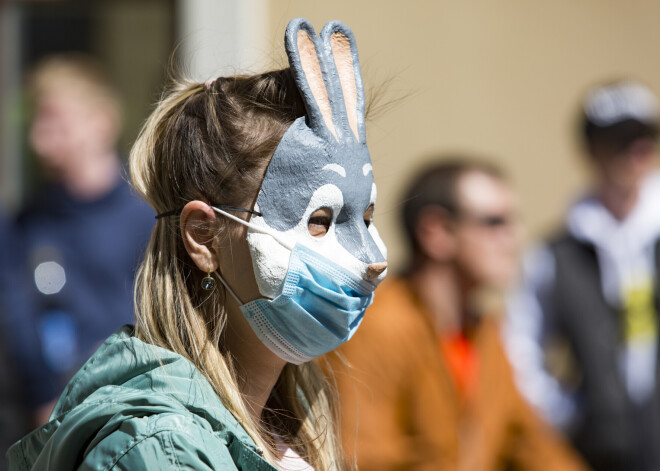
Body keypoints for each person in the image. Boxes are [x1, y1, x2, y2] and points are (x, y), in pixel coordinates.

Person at [7, 18, 388, 470]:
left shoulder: (292, 429)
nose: (372, 260)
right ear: (203, 237)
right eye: (320, 220)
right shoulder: (160, 450)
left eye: (365, 218)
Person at [331, 159, 588, 471]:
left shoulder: (486, 334)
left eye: (514, 221)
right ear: (435, 232)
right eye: (495, 222)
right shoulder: (380, 327)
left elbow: (536, 449)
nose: (515, 238)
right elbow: (361, 459)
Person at [506, 80, 660, 471]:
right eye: (620, 139)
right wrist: (569, 414)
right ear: (591, 150)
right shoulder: (556, 253)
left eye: (644, 137)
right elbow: (521, 345)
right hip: (603, 454)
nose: (634, 151)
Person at [13, 53, 155, 424]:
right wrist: (46, 394)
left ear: (101, 122)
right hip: (55, 416)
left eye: (55, 122)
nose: (39, 139)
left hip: (137, 405)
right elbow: (20, 321)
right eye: (37, 122)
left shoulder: (148, 214)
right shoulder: (28, 223)